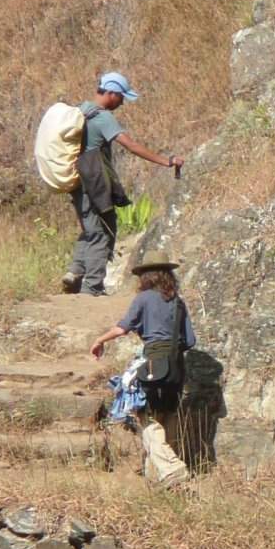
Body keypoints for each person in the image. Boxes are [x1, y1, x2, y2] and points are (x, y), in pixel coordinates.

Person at [62, 71, 185, 296]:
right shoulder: (103, 117)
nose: (122, 103)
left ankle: (74, 272)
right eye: (121, 97)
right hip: (94, 182)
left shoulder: (80, 110)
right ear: (110, 93)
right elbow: (131, 146)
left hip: (76, 181)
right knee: (104, 232)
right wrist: (166, 161)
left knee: (91, 228)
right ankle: (92, 288)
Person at [88, 252, 196, 488]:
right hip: (177, 365)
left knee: (144, 415)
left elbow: (122, 329)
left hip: (153, 363)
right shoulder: (178, 302)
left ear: (146, 277)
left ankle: (171, 468)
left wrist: (99, 340)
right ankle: (155, 478)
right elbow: (190, 340)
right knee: (166, 417)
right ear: (168, 276)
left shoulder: (144, 299)